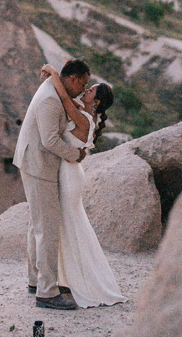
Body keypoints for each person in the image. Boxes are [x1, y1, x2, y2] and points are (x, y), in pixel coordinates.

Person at [41, 64, 126, 309]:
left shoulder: (84, 117)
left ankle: (79, 280)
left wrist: (53, 72)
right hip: (71, 171)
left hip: (69, 175)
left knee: (70, 225)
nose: (86, 91)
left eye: (91, 91)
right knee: (72, 225)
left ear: (97, 102)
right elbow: (72, 100)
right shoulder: (87, 113)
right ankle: (70, 277)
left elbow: (65, 98)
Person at [13, 58, 90, 311]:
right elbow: (50, 141)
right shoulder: (50, 99)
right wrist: (75, 155)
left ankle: (36, 281)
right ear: (74, 79)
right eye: (83, 84)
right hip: (38, 165)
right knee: (47, 227)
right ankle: (47, 292)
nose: (82, 90)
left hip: (33, 162)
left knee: (37, 224)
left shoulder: (53, 89)